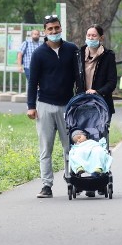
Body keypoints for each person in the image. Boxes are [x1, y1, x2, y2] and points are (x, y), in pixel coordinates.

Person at [27, 15, 81, 198]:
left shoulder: (72, 50)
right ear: (45, 31)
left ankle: (71, 178)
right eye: (50, 29)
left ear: (61, 28)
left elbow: (78, 78)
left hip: (68, 106)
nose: (54, 32)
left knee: (70, 146)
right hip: (45, 105)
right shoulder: (38, 54)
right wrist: (31, 106)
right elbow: (32, 82)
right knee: (46, 148)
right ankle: (46, 185)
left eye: (56, 28)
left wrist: (80, 100)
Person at [77, 24, 117, 197]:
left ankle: (98, 178)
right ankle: (80, 177)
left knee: (100, 143)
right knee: (82, 142)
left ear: (101, 37)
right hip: (81, 107)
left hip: (101, 106)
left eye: (94, 35)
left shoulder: (108, 56)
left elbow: (112, 82)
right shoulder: (79, 54)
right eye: (88, 35)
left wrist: (98, 91)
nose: (91, 38)